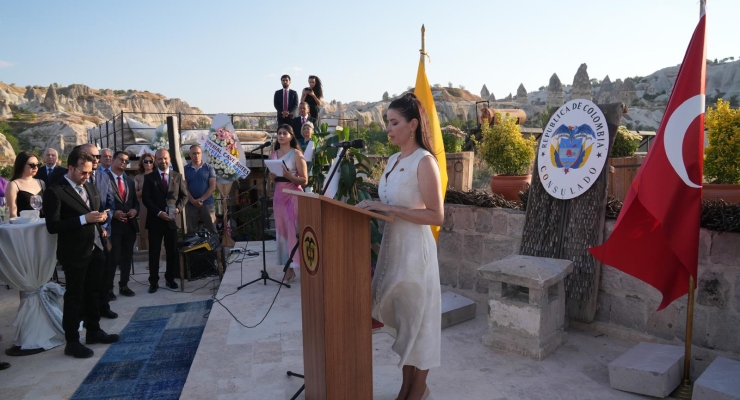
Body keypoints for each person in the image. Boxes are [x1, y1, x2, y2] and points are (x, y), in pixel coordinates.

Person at [356, 93, 443, 400]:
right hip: (393, 252)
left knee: (420, 323)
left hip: (415, 253)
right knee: (406, 324)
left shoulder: (425, 161)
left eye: (394, 123)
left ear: (413, 125)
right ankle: (406, 385)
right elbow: (387, 203)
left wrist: (388, 210)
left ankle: (417, 388)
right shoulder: (393, 160)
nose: (388, 129)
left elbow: (436, 215)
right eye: (387, 123)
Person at [42, 148, 120, 359]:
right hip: (74, 253)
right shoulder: (55, 191)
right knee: (75, 296)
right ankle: (72, 341)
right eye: (83, 172)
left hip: (96, 248)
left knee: (94, 292)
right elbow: (53, 225)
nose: (87, 176)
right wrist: (84, 219)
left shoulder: (92, 187)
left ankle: (93, 331)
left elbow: (97, 212)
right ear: (71, 168)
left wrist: (102, 219)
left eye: (89, 173)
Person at [142, 149, 187, 293]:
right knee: (154, 253)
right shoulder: (149, 178)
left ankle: (170, 279)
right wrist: (159, 212)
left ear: (169, 159)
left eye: (166, 158)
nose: (163, 161)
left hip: (172, 221)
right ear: (156, 160)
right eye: (160, 159)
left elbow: (184, 196)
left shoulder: (177, 177)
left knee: (172, 251)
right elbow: (146, 198)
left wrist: (178, 209)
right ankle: (153, 282)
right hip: (156, 220)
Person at [80, 144, 117, 318]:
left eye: (97, 156)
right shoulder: (76, 179)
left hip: (103, 233)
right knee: (87, 275)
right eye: (92, 156)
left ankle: (104, 305)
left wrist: (104, 225)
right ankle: (88, 310)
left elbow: (110, 204)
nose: (95, 160)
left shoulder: (103, 177)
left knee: (105, 271)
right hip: (83, 235)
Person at [268, 124, 307, 283]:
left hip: (293, 194)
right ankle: (289, 268)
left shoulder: (297, 154)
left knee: (295, 230)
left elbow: (304, 180)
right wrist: (273, 178)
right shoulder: (273, 155)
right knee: (282, 232)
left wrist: (287, 175)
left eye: (285, 133)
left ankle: (301, 264)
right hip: (279, 195)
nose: (281, 136)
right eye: (279, 133)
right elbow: (275, 178)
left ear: (291, 136)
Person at [108, 151, 139, 297]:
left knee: (127, 256)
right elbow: (99, 203)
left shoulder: (130, 181)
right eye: (121, 159)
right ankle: (108, 288)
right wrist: (112, 213)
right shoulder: (103, 179)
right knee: (113, 258)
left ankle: (124, 285)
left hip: (129, 225)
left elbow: (136, 203)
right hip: (113, 226)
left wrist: (134, 211)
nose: (124, 163)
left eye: (126, 161)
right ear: (113, 160)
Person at [184, 145, 217, 235]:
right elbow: (184, 187)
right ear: (190, 154)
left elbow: (212, 186)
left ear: (201, 154)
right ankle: (191, 247)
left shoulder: (209, 168)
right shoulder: (185, 169)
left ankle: (217, 247)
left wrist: (201, 200)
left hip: (207, 202)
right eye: (194, 153)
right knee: (190, 230)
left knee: (212, 228)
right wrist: (193, 201)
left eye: (198, 153)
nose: (196, 155)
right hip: (190, 203)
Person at [5, 151, 45, 218]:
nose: (35, 168)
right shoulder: (13, 185)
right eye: (32, 165)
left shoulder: (41, 183)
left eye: (38, 165)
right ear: (21, 165)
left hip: (41, 224)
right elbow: (12, 213)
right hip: (23, 225)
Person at [134, 152, 155, 251]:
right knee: (146, 234)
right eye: (146, 161)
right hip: (144, 207)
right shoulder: (138, 177)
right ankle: (151, 260)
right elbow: (134, 194)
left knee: (158, 233)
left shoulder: (158, 175)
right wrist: (145, 190)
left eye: (150, 161)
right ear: (142, 163)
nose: (148, 164)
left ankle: (159, 259)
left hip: (157, 206)